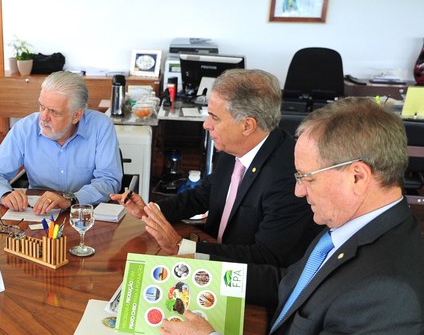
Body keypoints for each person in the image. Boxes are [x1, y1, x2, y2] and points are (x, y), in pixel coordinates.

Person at [158, 97, 424, 335]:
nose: (298, 191)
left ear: (357, 176)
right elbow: (288, 285)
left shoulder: (388, 289)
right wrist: (200, 273)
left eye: (307, 177)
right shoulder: (356, 228)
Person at [112, 69, 320, 267]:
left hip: (245, 283)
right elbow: (204, 194)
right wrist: (151, 211)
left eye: (215, 117)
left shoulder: (288, 177)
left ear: (247, 125)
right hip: (213, 254)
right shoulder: (235, 147)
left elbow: (264, 257)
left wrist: (182, 247)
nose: (206, 124)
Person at [0, 71, 122, 214]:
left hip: (85, 214)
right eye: (42, 106)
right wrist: (4, 194)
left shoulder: (101, 126)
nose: (43, 117)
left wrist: (72, 199)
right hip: (39, 213)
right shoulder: (25, 128)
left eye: (54, 112)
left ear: (76, 115)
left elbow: (108, 180)